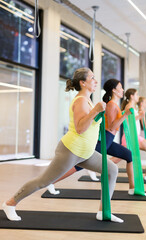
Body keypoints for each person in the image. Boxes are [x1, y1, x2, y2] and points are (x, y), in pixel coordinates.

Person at [2, 67, 123, 223]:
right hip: (71, 150)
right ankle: (10, 203)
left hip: (86, 152)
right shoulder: (80, 101)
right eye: (92, 78)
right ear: (83, 82)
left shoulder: (88, 100)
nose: (96, 81)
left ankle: (103, 212)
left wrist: (98, 112)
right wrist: (95, 111)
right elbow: (80, 129)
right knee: (43, 181)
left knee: (112, 170)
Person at [95, 79, 134, 195]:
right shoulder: (111, 105)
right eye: (120, 87)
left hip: (109, 140)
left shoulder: (114, 105)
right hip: (105, 139)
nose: (122, 90)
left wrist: (124, 113)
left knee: (128, 155)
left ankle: (132, 187)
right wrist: (125, 114)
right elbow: (112, 126)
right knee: (79, 166)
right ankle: (52, 181)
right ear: (114, 90)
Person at [121, 89, 146, 180]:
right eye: (136, 94)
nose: (138, 96)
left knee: (117, 158)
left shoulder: (132, 106)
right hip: (131, 136)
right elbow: (127, 121)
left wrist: (139, 116)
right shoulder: (129, 106)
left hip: (134, 136)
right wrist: (140, 117)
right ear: (132, 96)